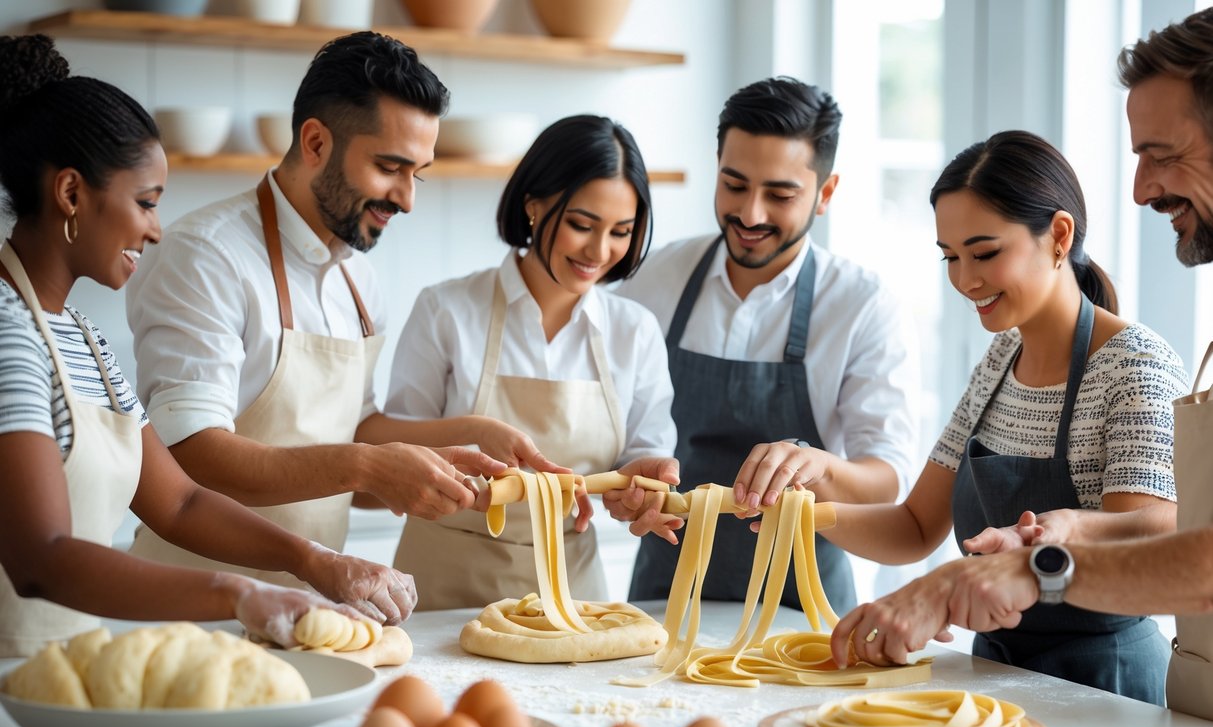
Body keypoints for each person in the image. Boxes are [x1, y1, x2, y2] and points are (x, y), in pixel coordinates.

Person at [829, 8, 1213, 719]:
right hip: (999, 682)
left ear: (1057, 235)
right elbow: (917, 524)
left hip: (1104, 690)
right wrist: (800, 510)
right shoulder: (998, 361)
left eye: (984, 252)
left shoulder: (1134, 364)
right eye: (950, 258)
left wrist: (1030, 564)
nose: (964, 279)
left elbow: (1172, 542)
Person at [0, 34, 410, 658]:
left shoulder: (83, 340)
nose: (155, 229)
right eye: (145, 203)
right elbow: (41, 559)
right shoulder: (8, 332)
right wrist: (236, 595)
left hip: (61, 677)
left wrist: (314, 562)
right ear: (71, 194)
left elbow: (180, 502)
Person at [124, 32, 507, 587]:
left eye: (417, 173)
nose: (407, 198)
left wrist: (466, 440)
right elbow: (191, 452)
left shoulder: (360, 276)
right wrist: (372, 466)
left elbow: (355, 431)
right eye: (389, 167)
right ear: (316, 142)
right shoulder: (204, 256)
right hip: (197, 605)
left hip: (318, 603)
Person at [611, 77, 919, 615]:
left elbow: (885, 483)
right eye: (734, 185)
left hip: (807, 610)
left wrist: (818, 468)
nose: (750, 214)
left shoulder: (863, 306)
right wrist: (625, 483)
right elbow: (613, 433)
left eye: (779, 195)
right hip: (663, 600)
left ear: (825, 194)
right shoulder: (653, 280)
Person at [366, 115, 677, 609]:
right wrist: (473, 429)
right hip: (443, 587)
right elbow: (380, 442)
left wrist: (641, 486)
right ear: (533, 204)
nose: (600, 251)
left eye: (621, 231)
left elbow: (639, 461)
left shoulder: (634, 332)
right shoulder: (447, 310)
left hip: (573, 598)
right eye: (581, 224)